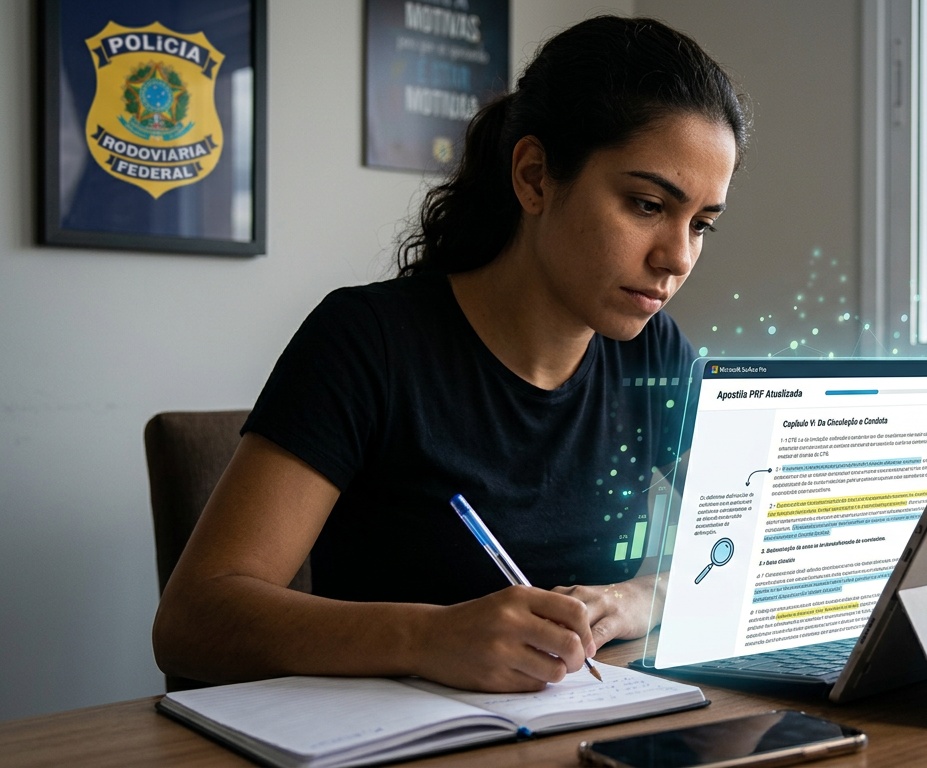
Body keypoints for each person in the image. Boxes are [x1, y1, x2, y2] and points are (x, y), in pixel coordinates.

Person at [152, 16, 748, 693]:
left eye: (701, 224)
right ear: (534, 178)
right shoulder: (366, 342)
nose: (677, 257)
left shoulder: (654, 352)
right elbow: (192, 621)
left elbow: (744, 547)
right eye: (646, 205)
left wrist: (646, 596)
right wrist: (430, 636)